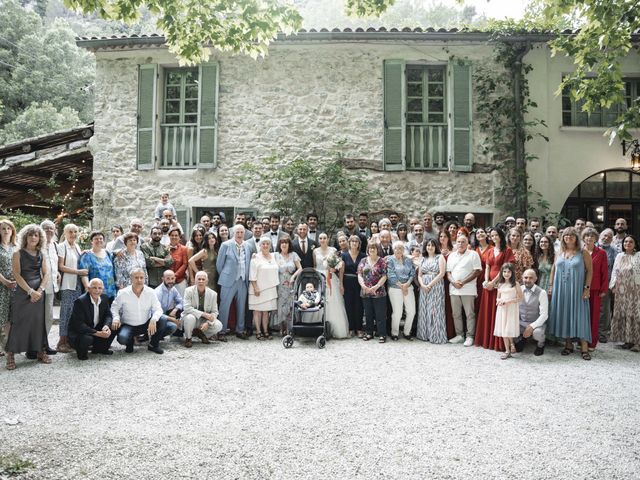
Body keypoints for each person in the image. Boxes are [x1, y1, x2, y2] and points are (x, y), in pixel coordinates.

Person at [5, 224, 50, 370]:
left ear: (40, 238)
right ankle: (10, 354)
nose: (33, 237)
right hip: (23, 292)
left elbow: (46, 273)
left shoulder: (42, 254)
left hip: (39, 292)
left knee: (38, 323)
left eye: (36, 235)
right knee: (18, 322)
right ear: (25, 237)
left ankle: (40, 351)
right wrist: (31, 291)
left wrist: (40, 290)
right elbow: (17, 275)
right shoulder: (17, 253)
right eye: (30, 235)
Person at [548, 227, 593, 360]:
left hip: (577, 289)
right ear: (563, 238)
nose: (568, 237)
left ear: (576, 238)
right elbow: (553, 269)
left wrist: (587, 288)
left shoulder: (583, 252)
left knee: (580, 315)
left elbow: (590, 271)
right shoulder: (559, 252)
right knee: (565, 313)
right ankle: (568, 345)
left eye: (572, 235)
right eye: (566, 235)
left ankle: (584, 347)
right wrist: (550, 285)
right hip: (560, 289)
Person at [110, 268, 169, 354]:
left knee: (162, 319)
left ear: (145, 278)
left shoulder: (151, 292)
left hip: (146, 324)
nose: (139, 280)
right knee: (122, 338)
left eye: (141, 277)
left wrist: (153, 319)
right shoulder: (123, 293)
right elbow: (114, 307)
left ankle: (153, 345)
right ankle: (130, 343)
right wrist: (116, 318)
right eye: (136, 277)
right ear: (131, 279)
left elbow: (158, 309)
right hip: (129, 325)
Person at [475, 228, 515, 351]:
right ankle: (486, 340)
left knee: (499, 313)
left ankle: (500, 343)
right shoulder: (491, 250)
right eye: (492, 235)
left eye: (496, 235)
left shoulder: (507, 250)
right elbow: (487, 267)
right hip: (489, 286)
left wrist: (494, 282)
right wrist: (487, 281)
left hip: (501, 284)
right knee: (488, 311)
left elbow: (505, 268)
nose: (494, 237)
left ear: (501, 236)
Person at [216, 225, 252, 339]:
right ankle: (221, 331)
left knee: (241, 306)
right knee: (224, 306)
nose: (240, 234)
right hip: (228, 280)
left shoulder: (248, 245)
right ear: (233, 233)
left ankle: (240, 330)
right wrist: (227, 275)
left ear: (244, 233)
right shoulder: (226, 245)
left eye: (242, 232)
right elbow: (219, 264)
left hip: (242, 280)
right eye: (237, 232)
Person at [57, 223, 88, 353]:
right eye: (70, 231)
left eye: (75, 231)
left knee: (73, 313)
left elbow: (79, 261)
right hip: (67, 285)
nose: (73, 234)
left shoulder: (77, 246)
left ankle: (70, 340)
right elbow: (61, 266)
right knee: (65, 312)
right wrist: (78, 272)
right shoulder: (61, 246)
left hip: (77, 285)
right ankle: (61, 342)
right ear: (65, 232)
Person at [68, 278, 116, 360]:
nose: (97, 290)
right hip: (80, 333)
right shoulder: (80, 301)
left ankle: (100, 349)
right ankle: (81, 353)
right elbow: (79, 325)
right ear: (89, 289)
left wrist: (106, 326)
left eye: (100, 288)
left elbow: (108, 315)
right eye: (94, 287)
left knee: (114, 327)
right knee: (87, 338)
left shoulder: (104, 298)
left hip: (95, 328)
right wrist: (97, 333)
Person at [446, 235, 482, 346]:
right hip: (454, 289)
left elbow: (477, 271)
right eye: (458, 242)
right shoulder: (451, 255)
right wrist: (453, 282)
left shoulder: (473, 254)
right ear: (455, 243)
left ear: (467, 244)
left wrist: (463, 282)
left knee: (469, 314)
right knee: (456, 314)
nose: (460, 244)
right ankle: (459, 335)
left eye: (463, 242)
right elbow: (448, 273)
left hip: (468, 289)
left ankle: (470, 336)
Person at [313, 232, 349, 339]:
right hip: (319, 277)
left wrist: (334, 268)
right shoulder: (315, 251)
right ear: (318, 240)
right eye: (321, 238)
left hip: (331, 277)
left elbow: (340, 264)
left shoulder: (333, 250)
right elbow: (315, 265)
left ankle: (335, 328)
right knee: (320, 299)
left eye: (324, 238)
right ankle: (318, 327)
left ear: (327, 239)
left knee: (333, 301)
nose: (323, 240)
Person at [609, 235, 640, 351]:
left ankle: (637, 342)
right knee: (624, 313)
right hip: (621, 291)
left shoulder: (639, 256)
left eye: (631, 241)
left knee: (636, 314)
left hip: (636, 290)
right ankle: (627, 340)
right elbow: (614, 272)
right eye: (625, 241)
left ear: (635, 244)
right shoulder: (619, 256)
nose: (627, 243)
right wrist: (613, 285)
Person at [181, 271, 224, 348]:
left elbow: (215, 312)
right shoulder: (188, 291)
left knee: (218, 325)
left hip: (203, 320)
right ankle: (188, 338)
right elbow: (187, 308)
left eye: (203, 279)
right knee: (190, 318)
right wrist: (204, 314)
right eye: (199, 279)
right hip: (191, 318)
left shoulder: (213, 294)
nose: (201, 281)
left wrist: (208, 323)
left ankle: (201, 334)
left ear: (206, 281)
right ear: (195, 280)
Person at [582, 227, 608, 351]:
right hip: (580, 287)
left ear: (596, 238)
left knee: (594, 315)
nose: (589, 238)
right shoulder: (579, 251)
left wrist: (604, 289)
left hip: (595, 288)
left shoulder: (601, 252)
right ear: (583, 238)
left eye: (592, 236)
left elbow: (604, 271)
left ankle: (591, 342)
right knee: (581, 315)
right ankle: (581, 340)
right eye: (587, 236)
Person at [249, 237, 279, 340]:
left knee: (266, 311)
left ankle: (265, 331)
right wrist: (255, 287)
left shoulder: (275, 256)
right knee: (257, 311)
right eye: (263, 244)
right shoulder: (255, 257)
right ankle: (258, 331)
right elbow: (252, 274)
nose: (265, 246)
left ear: (270, 246)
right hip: (258, 288)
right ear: (260, 246)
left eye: (267, 244)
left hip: (270, 288)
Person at [416, 239, 446, 343]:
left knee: (435, 309)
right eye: (428, 245)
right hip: (424, 286)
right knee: (424, 309)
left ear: (436, 247)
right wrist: (422, 285)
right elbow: (419, 275)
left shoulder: (440, 257)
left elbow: (442, 273)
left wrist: (430, 284)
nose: (430, 247)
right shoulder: (423, 259)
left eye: (432, 245)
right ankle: (424, 334)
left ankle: (436, 335)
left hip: (436, 286)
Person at [358, 242, 388, 343]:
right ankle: (369, 333)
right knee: (368, 314)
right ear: (368, 249)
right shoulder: (363, 260)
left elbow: (384, 276)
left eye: (374, 248)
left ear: (377, 249)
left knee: (380, 314)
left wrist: (376, 287)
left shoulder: (382, 261)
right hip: (366, 291)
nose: (372, 250)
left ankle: (382, 334)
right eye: (370, 248)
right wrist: (363, 286)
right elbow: (359, 274)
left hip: (378, 292)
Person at [386, 241, 416, 341]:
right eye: (396, 248)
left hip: (408, 287)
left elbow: (412, 273)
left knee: (411, 311)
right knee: (397, 312)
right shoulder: (390, 259)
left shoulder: (408, 260)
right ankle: (394, 333)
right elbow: (391, 275)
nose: (398, 250)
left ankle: (407, 332)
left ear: (403, 250)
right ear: (393, 249)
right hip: (395, 288)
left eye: (401, 248)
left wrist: (406, 284)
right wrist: (402, 286)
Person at [514, 269, 548, 356]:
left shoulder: (542, 292)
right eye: (525, 277)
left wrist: (532, 326)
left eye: (531, 278)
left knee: (537, 333)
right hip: (521, 322)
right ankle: (521, 339)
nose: (528, 280)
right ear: (522, 278)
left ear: (536, 279)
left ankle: (541, 344)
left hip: (536, 323)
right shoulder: (518, 290)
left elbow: (544, 315)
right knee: (509, 327)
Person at [493, 263, 522, 359]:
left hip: (511, 308)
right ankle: (507, 350)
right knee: (503, 329)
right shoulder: (500, 284)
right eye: (504, 272)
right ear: (501, 273)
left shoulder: (515, 284)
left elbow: (520, 298)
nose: (506, 274)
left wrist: (509, 301)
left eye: (509, 272)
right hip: (502, 309)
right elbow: (498, 298)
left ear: (512, 273)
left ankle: (512, 343)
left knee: (508, 328)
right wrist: (499, 302)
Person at [274, 236, 302, 336]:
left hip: (291, 282)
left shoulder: (293, 255)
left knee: (289, 305)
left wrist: (293, 276)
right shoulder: (275, 255)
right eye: (282, 243)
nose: (284, 244)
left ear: (289, 244)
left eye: (286, 243)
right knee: (280, 304)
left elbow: (300, 268)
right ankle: (281, 328)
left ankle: (289, 328)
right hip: (279, 283)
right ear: (279, 245)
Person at [39, 220, 59, 354]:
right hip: (38, 287)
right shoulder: (37, 245)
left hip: (51, 287)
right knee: (37, 317)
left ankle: (44, 343)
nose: (49, 231)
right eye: (46, 228)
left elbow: (54, 263)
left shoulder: (55, 245)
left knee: (49, 317)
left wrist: (57, 272)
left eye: (51, 228)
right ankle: (34, 347)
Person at [79, 231, 117, 301]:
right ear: (91, 241)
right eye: (96, 239)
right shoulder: (87, 255)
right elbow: (84, 274)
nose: (99, 240)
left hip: (110, 291)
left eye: (101, 238)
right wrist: (87, 287)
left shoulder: (108, 253)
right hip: (95, 291)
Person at [340, 235, 365, 337]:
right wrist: (341, 284)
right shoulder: (344, 255)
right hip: (347, 282)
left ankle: (359, 328)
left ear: (359, 244)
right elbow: (341, 271)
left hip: (359, 282)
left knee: (359, 305)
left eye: (356, 241)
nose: (354, 243)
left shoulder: (363, 256)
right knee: (348, 305)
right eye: (352, 241)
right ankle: (351, 328)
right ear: (349, 243)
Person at [0, 219, 17, 356]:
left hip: (14, 286)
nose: (6, 231)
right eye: (3, 228)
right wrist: (5, 281)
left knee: (11, 317)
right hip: (1, 285)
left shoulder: (15, 247)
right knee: (1, 315)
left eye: (8, 228)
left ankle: (8, 346)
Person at [597, 228, 617, 343]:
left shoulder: (614, 251)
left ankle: (602, 333)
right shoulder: (591, 246)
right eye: (605, 235)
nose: (606, 238)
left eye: (610, 237)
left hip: (606, 283)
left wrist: (612, 285)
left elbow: (615, 268)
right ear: (600, 235)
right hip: (591, 283)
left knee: (604, 309)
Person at [154, 270, 183, 338]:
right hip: (156, 318)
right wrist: (172, 319)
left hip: (165, 315)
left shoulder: (173, 289)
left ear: (175, 278)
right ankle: (155, 337)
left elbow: (181, 302)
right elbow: (155, 312)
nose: (170, 281)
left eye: (172, 278)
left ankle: (178, 333)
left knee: (181, 310)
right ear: (163, 279)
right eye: (168, 278)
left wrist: (176, 309)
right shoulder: (158, 292)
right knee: (169, 324)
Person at [167, 227, 189, 296]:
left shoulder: (184, 249)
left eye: (176, 235)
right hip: (167, 281)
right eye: (172, 235)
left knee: (181, 302)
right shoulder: (165, 248)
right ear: (169, 236)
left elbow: (185, 264)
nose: (174, 237)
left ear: (179, 237)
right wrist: (169, 278)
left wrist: (174, 276)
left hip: (180, 280)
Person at [474, 227, 491, 314]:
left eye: (482, 232)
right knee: (476, 304)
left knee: (485, 303)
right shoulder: (474, 249)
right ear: (476, 237)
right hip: (476, 278)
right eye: (478, 233)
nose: (480, 234)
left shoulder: (492, 248)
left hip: (488, 277)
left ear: (486, 234)